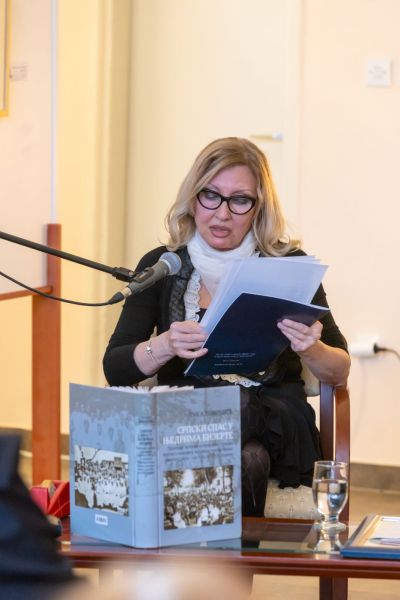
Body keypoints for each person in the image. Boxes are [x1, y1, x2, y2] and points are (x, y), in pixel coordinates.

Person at [103, 137, 350, 516]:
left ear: (258, 207)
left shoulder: (289, 264)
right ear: (193, 198)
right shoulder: (164, 264)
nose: (222, 213)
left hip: (274, 420)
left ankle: (193, 548)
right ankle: (230, 557)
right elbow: (116, 368)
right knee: (248, 458)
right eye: (211, 196)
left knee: (242, 415)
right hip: (185, 419)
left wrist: (310, 348)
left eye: (239, 200)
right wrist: (166, 344)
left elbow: (339, 369)